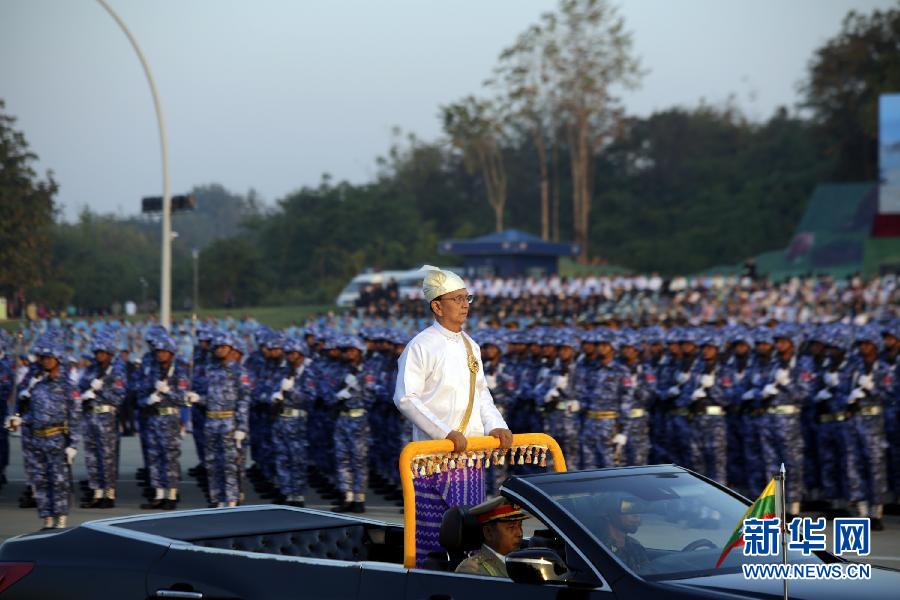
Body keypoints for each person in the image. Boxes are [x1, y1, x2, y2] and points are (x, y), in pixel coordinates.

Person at [394, 266, 513, 568]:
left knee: (469, 534)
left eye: (466, 298)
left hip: (469, 456)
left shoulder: (471, 345)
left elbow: (482, 393)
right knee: (433, 536)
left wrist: (496, 425)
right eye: (457, 299)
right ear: (437, 306)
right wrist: (444, 433)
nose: (464, 305)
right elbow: (405, 397)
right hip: (434, 457)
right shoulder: (421, 345)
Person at [78, 333, 127, 508]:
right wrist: (85, 393)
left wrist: (101, 390)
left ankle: (109, 493)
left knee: (107, 457)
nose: (99, 355)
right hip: (89, 416)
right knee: (91, 457)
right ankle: (96, 492)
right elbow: (80, 386)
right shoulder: (90, 370)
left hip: (106, 417)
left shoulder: (117, 372)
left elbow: (120, 397)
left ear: (110, 354)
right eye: (97, 352)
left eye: (103, 352)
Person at [455, 499, 529, 578]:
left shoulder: (520, 561)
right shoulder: (472, 570)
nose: (520, 533)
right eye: (511, 527)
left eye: (520, 526)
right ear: (488, 532)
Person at [597, 494, 649, 572]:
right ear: (611, 513)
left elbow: (647, 573)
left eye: (637, 508)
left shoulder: (635, 546)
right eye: (628, 508)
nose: (636, 514)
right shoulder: (599, 547)